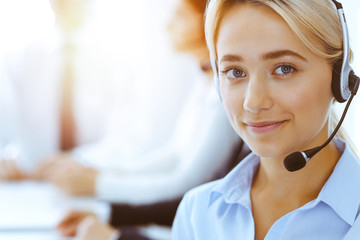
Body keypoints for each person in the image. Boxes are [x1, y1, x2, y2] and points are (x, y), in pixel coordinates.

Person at [53, 0, 247, 239]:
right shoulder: (202, 82)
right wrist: (102, 177)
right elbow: (173, 154)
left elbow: (185, 184)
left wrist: (100, 185)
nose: (167, 26)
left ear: (209, 20)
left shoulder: (225, 94)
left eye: (180, 17)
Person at [172, 0, 360, 239]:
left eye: (284, 69)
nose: (253, 101)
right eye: (235, 71)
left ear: (340, 77)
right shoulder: (197, 214)